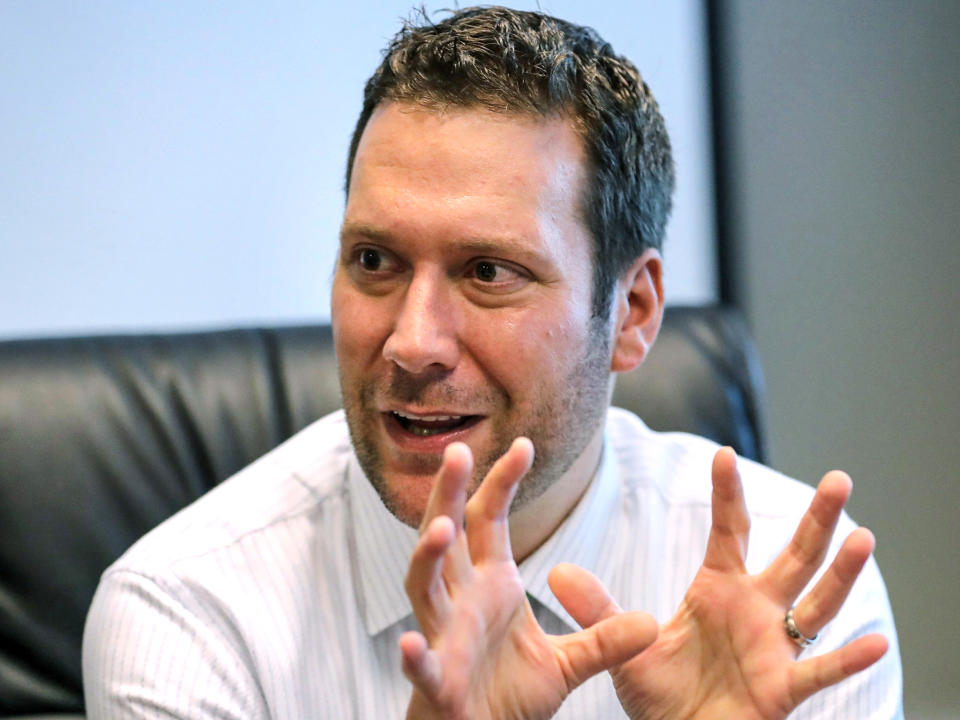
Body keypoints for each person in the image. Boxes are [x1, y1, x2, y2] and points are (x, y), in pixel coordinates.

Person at [82, 6, 903, 718]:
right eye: (374, 261)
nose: (411, 343)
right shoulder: (185, 612)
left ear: (633, 311)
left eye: (488, 273)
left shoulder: (795, 600)